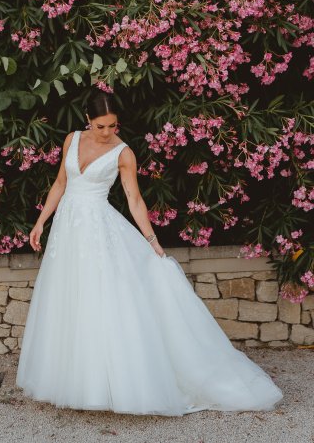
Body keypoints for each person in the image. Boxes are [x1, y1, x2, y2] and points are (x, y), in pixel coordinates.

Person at [15, 89, 283, 416]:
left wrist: (152, 239)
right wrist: (41, 222)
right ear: (88, 120)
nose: (107, 132)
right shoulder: (71, 140)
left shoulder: (123, 153)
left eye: (112, 125)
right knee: (69, 301)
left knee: (103, 301)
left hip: (98, 231)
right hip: (67, 232)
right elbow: (60, 183)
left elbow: (134, 200)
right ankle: (75, 382)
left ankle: (112, 386)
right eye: (101, 126)